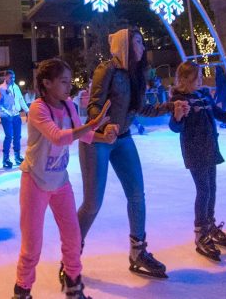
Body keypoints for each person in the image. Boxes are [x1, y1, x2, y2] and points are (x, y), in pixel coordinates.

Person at [78, 27, 188, 279]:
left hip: (124, 139)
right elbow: (94, 106)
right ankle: (71, 256)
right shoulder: (106, 70)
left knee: (137, 195)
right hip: (97, 140)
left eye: (142, 42)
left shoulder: (138, 73)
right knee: (93, 203)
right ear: (123, 45)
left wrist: (172, 106)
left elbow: (142, 109)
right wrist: (105, 126)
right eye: (136, 42)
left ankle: (138, 252)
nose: (142, 46)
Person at [12, 58, 116, 299]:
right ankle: (22, 292)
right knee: (32, 247)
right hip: (35, 181)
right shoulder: (38, 108)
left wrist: (103, 136)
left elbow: (84, 134)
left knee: (73, 237)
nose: (69, 87)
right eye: (64, 82)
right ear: (47, 83)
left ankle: (73, 287)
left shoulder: (68, 105)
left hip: (60, 182)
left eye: (70, 82)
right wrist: (93, 124)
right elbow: (58, 137)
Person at [169, 60, 226, 261]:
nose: (201, 80)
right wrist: (178, 117)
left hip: (210, 147)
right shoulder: (179, 100)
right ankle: (200, 233)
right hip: (194, 150)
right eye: (197, 77)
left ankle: (210, 225)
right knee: (203, 190)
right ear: (186, 79)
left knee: (212, 188)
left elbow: (218, 113)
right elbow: (175, 127)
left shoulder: (203, 95)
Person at [0, 69, 29, 169]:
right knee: (9, 136)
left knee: (17, 136)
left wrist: (27, 110)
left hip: (16, 115)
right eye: (11, 77)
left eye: (14, 77)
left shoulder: (16, 87)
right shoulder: (1, 89)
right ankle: (5, 159)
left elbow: (20, 99)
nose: (13, 79)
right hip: (6, 117)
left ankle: (17, 156)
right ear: (5, 77)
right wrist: (6, 112)